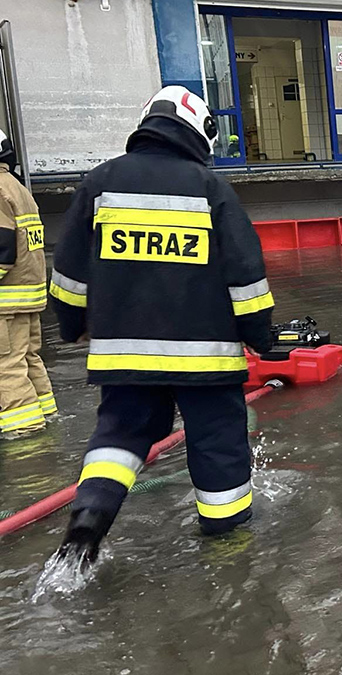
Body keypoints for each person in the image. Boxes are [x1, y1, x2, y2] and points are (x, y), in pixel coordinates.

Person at [49, 86, 275, 563]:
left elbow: (69, 273)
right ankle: (229, 551)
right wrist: (261, 338)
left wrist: (72, 327)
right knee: (217, 443)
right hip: (206, 360)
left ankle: (88, 519)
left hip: (122, 356)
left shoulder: (100, 182)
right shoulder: (211, 189)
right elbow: (246, 276)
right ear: (201, 131)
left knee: (118, 436)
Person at [0, 129, 55, 439]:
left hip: (5, 300)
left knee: (5, 367)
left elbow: (2, 250)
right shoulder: (17, 188)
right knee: (28, 359)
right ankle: (46, 415)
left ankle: (23, 432)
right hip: (26, 297)